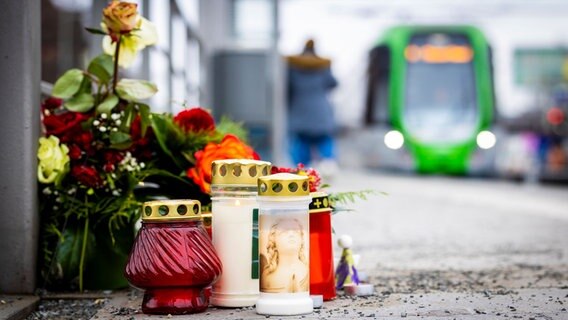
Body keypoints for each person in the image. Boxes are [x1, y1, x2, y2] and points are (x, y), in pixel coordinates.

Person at [286, 39, 339, 174]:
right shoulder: (322, 66)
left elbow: (287, 88)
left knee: (301, 145)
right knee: (325, 142)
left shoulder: (293, 66)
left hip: (300, 112)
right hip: (321, 112)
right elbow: (333, 83)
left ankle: (302, 171)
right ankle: (328, 166)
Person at [260, 219, 309, 293]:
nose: (291, 235)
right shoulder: (267, 276)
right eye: (284, 232)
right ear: (274, 242)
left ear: (302, 241)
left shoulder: (307, 270)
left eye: (296, 232)